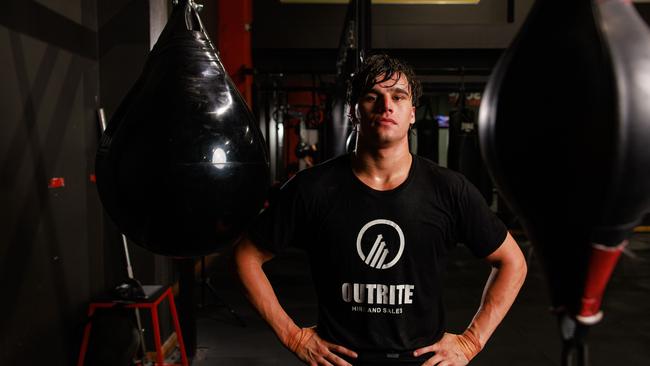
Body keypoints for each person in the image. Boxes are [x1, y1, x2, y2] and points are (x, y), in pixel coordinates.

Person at [234, 54, 527, 366]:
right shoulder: (312, 188)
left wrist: (471, 342)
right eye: (372, 96)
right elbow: (246, 256)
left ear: (412, 114)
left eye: (398, 97)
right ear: (353, 112)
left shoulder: (449, 189)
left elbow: (512, 262)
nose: (386, 105)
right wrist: (293, 336)